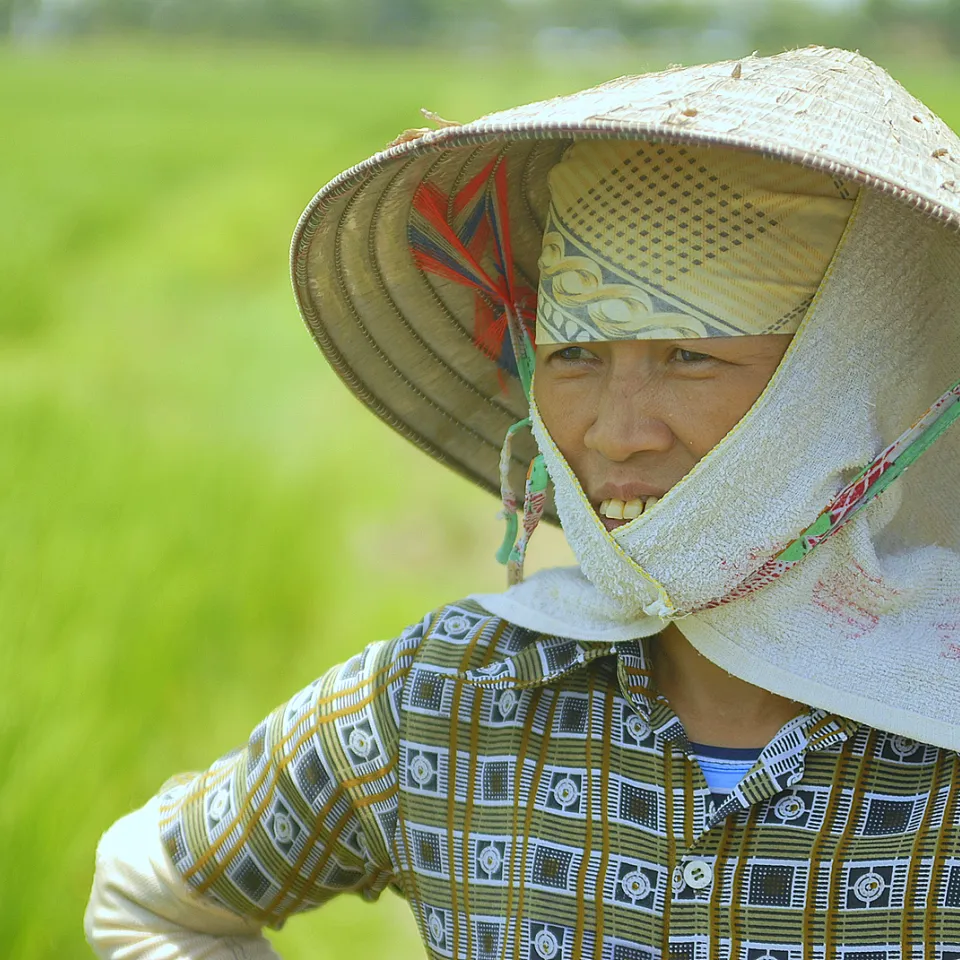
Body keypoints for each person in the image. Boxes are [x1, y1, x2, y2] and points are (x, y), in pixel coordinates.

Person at [85, 45, 960, 959]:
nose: (614, 434)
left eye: (690, 356)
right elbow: (149, 896)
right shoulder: (448, 696)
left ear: (853, 378)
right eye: (577, 357)